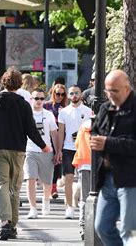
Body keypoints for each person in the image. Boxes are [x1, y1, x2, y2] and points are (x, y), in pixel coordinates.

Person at [0, 69, 51, 240]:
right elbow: (31, 129)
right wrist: (44, 146)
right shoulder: (23, 104)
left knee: (1, 183)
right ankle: (12, 224)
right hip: (17, 150)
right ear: (19, 84)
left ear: (3, 82)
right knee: (14, 187)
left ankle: (5, 222)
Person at [91, 70, 136, 245]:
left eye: (114, 91)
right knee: (102, 226)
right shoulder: (105, 107)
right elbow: (96, 130)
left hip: (130, 179)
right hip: (108, 177)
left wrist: (108, 143)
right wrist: (95, 140)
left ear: (127, 88)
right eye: (107, 91)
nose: (110, 95)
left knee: (129, 230)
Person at [56, 85, 92, 219]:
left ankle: (85, 206)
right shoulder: (64, 112)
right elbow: (61, 132)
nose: (74, 95)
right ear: (68, 95)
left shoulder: (88, 111)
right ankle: (69, 207)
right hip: (68, 148)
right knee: (69, 178)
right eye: (71, 93)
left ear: (81, 94)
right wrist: (59, 150)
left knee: (84, 179)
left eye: (76, 93)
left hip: (83, 148)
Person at [24, 89, 59, 219]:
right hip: (30, 150)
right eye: (36, 98)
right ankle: (33, 208)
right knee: (30, 178)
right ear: (31, 99)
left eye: (41, 98)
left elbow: (54, 134)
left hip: (47, 150)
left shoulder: (49, 115)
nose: (39, 101)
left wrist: (57, 151)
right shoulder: (27, 114)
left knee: (47, 181)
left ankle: (46, 201)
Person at [44, 83, 68, 199]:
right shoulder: (47, 106)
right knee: (48, 163)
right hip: (48, 137)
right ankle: (48, 186)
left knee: (58, 162)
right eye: (58, 93)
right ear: (53, 93)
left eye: (62, 94)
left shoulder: (66, 107)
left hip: (62, 137)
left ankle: (53, 188)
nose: (60, 96)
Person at [72, 118, 92, 239]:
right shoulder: (105, 121)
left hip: (84, 163)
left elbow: (77, 143)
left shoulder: (84, 125)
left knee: (85, 197)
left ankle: (84, 225)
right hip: (99, 164)